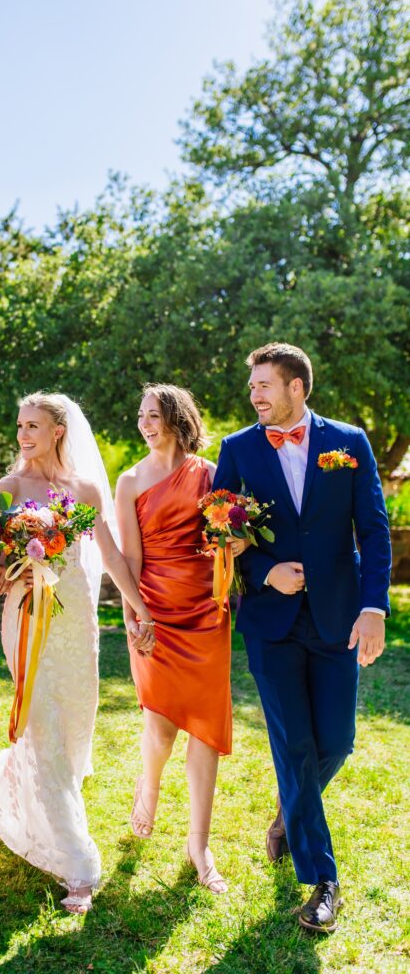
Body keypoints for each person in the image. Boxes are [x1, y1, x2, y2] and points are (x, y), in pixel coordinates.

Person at [214, 342, 391, 932]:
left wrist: (374, 607)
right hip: (271, 623)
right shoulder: (236, 449)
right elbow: (217, 533)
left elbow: (372, 527)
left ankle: (290, 817)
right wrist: (265, 570)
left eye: (264, 385)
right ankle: (322, 881)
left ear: (297, 388)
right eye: (252, 388)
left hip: (340, 617)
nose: (255, 395)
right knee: (291, 744)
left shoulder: (350, 443)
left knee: (337, 743)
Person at [0, 392, 155, 914]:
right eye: (19, 425)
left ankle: (30, 794)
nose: (23, 434)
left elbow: (111, 555)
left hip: (76, 614)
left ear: (59, 430)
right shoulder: (6, 490)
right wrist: (11, 569)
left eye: (33, 425)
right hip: (28, 614)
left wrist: (138, 606)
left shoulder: (85, 487)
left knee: (75, 719)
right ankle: (77, 861)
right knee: (43, 719)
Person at [115, 384, 233, 894]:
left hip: (207, 613)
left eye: (154, 415)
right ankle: (150, 781)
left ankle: (198, 842)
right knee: (160, 731)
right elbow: (131, 560)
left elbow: (224, 539)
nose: (144, 423)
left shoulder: (209, 474)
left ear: (177, 419)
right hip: (155, 613)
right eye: (140, 414)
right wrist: (134, 618)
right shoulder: (129, 480)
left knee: (205, 731)